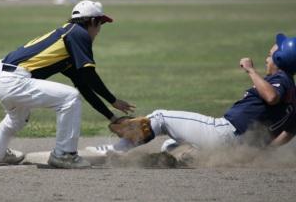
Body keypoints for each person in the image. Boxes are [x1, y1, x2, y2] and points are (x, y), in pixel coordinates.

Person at [0, 0, 135, 169]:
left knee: (17, 120)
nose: (99, 30)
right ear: (92, 21)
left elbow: (83, 85)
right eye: (100, 23)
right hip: (14, 80)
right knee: (70, 98)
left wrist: (112, 117)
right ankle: (64, 154)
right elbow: (89, 74)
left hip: (1, 77)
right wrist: (113, 100)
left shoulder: (68, 39)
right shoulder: (78, 33)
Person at [87, 33, 296, 155]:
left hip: (223, 134)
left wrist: (250, 70)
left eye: (270, 56)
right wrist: (264, 153)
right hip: (239, 149)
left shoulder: (280, 81)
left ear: (280, 60)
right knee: (173, 143)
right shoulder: (293, 96)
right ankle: (178, 154)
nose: (266, 59)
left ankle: (112, 151)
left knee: (161, 118)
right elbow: (290, 131)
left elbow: (271, 97)